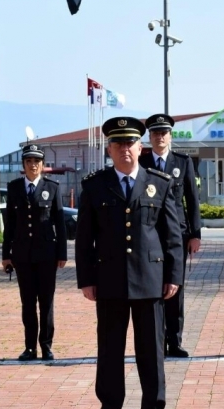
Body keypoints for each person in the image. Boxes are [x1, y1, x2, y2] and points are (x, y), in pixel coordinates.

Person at [75, 116, 183, 409]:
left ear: (140, 147)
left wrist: (174, 275)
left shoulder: (158, 184)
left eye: (130, 142)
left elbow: (172, 234)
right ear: (109, 149)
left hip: (150, 279)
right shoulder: (95, 186)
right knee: (110, 349)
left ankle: (154, 403)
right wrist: (86, 279)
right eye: (118, 143)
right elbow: (84, 238)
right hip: (109, 279)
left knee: (152, 350)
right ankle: (110, 404)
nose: (125, 148)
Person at [139, 113, 202, 358]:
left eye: (163, 133)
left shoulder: (182, 162)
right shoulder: (142, 163)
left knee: (176, 287)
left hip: (178, 234)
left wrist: (195, 233)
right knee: (153, 288)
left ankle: (174, 342)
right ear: (149, 137)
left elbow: (192, 200)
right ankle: (157, 341)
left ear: (170, 136)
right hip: (149, 233)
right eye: (155, 133)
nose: (159, 137)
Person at [2, 144, 67, 362]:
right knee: (27, 303)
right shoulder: (14, 188)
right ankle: (30, 347)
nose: (33, 165)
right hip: (22, 256)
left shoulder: (53, 187)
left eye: (37, 161)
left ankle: (46, 346)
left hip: (47, 255)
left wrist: (62, 253)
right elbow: (9, 224)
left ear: (42, 165)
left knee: (46, 302)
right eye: (29, 161)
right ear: (23, 165)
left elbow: (60, 222)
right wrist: (6, 255)